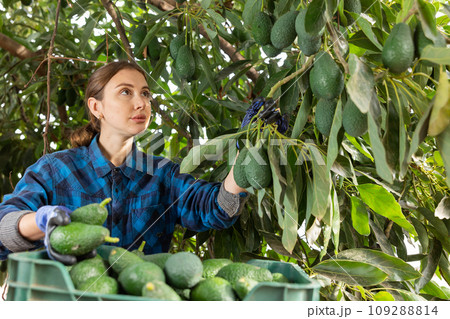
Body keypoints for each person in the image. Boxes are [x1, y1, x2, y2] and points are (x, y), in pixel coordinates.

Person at [0, 61, 285, 264]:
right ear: (96, 107)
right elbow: (4, 228)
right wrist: (40, 222)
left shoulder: (162, 174)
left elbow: (215, 208)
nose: (141, 103)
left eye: (145, 93)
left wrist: (248, 153)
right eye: (126, 92)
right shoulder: (54, 169)